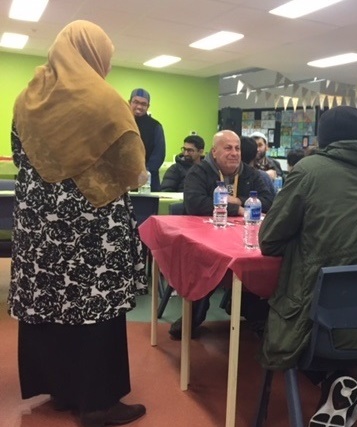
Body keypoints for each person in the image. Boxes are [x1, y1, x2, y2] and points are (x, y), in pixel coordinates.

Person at [9, 20, 147, 427]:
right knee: (94, 305)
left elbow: (20, 155)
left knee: (51, 300)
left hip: (39, 225)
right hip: (92, 225)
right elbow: (133, 167)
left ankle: (60, 387)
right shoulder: (103, 100)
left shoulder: (27, 98)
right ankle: (97, 403)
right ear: (95, 54)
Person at [258, 106, 357, 426]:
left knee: (257, 310)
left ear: (322, 140)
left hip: (322, 331)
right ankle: (338, 380)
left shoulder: (309, 170)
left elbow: (268, 241)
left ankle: (330, 378)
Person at [169, 130, 274, 339]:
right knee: (200, 261)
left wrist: (237, 200)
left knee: (258, 262)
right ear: (214, 152)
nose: (234, 153)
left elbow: (267, 201)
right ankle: (195, 315)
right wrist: (236, 208)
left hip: (243, 238)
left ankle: (253, 312)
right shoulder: (199, 172)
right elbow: (195, 204)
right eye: (228, 148)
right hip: (205, 237)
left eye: (237, 148)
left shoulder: (250, 174)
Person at [130, 87, 166, 191]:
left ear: (148, 106)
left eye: (143, 104)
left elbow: (159, 154)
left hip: (148, 181)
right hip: (122, 179)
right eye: (136, 102)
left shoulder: (155, 126)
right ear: (129, 102)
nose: (139, 106)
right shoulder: (121, 122)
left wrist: (144, 173)